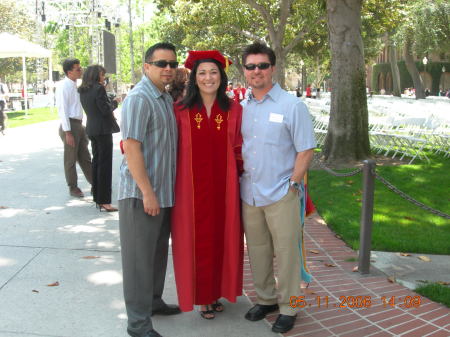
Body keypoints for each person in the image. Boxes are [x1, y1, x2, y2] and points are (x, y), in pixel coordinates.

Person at [240, 42, 316, 334]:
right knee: (258, 250)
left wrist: (293, 184)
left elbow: (306, 149)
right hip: (250, 192)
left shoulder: (291, 105)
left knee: (287, 253)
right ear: (244, 70)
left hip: (282, 191)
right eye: (251, 66)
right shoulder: (241, 108)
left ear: (272, 68)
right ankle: (267, 299)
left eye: (262, 65)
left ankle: (290, 306)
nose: (256, 71)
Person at [171, 50, 244, 320]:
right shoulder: (180, 110)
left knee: (222, 236)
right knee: (196, 239)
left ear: (222, 76)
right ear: (194, 77)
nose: (208, 77)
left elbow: (240, 147)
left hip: (226, 188)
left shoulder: (234, 109)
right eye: (202, 72)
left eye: (213, 72)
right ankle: (202, 297)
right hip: (190, 190)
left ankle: (217, 292)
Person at [118, 42, 180, 337]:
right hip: (141, 196)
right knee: (138, 262)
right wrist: (148, 192)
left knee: (156, 255)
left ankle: (154, 302)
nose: (168, 68)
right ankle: (138, 324)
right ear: (147, 67)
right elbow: (131, 147)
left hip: (163, 194)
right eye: (161, 63)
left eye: (172, 63)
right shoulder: (140, 98)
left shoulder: (164, 98)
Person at [79, 65, 120, 212]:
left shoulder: (83, 89)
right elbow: (105, 109)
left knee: (96, 163)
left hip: (92, 128)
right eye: (102, 75)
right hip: (102, 129)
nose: (104, 78)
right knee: (105, 166)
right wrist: (115, 102)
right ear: (96, 75)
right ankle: (104, 201)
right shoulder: (98, 88)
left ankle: (97, 197)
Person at [56, 58, 93, 198]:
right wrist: (67, 132)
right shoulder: (63, 86)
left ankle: (94, 182)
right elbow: (63, 110)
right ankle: (73, 186)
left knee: (85, 156)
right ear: (69, 71)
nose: (81, 70)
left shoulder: (75, 85)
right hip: (70, 125)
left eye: (80, 68)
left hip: (78, 124)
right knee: (70, 158)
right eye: (77, 69)